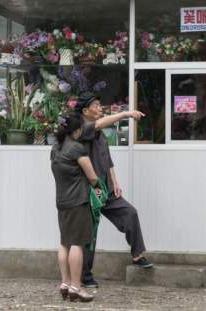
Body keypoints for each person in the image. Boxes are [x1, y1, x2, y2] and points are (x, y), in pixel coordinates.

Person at [75, 92, 153, 288]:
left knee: (129, 213)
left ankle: (137, 255)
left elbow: (107, 161)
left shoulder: (101, 136)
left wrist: (115, 182)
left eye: (101, 104)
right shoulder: (82, 128)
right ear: (85, 111)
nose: (100, 108)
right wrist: (125, 114)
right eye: (96, 105)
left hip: (106, 189)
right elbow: (99, 124)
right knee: (89, 234)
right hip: (89, 191)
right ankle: (84, 275)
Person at [50, 113, 101, 302]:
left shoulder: (56, 149)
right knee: (77, 244)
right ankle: (76, 287)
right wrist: (97, 189)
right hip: (78, 201)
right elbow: (93, 177)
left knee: (65, 242)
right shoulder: (77, 149)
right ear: (77, 130)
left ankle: (65, 283)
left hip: (62, 201)